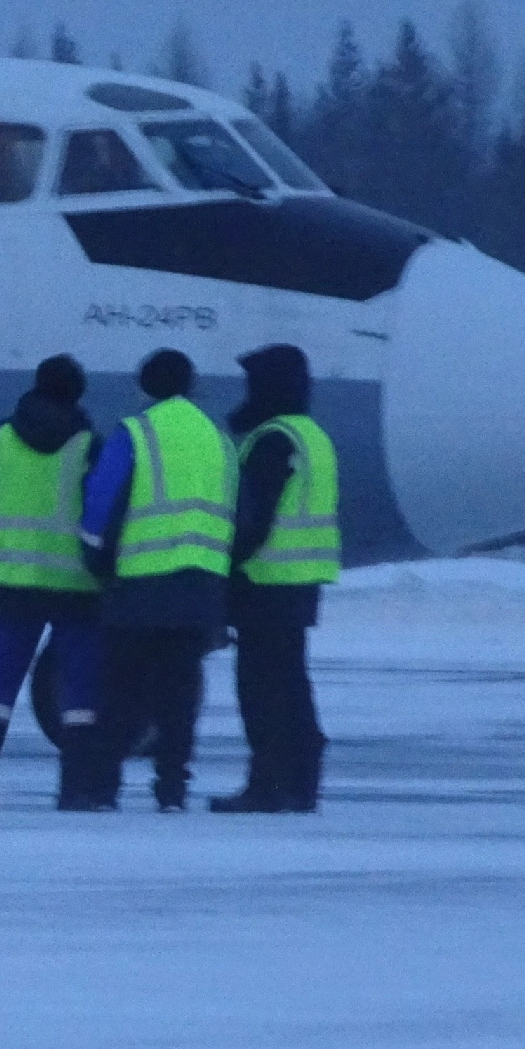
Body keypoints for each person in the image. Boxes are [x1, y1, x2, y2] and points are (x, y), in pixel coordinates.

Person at [73, 348, 233, 810]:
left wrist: (95, 559)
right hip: (200, 586)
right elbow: (235, 511)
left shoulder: (134, 434)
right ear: (191, 385)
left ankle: (103, 789)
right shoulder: (217, 439)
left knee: (121, 692)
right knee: (179, 697)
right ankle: (172, 790)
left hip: (139, 586)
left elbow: (100, 506)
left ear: (143, 385)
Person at [0, 355, 102, 809]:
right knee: (79, 693)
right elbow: (100, 514)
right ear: (78, 393)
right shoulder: (89, 446)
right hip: (75, 587)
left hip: (7, 583)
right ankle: (77, 790)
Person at [211, 344, 338, 812]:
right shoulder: (311, 436)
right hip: (301, 581)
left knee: (261, 687)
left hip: (263, 580)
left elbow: (253, 518)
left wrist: (226, 567)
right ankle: (301, 781)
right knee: (291, 682)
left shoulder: (271, 440)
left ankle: (266, 784)